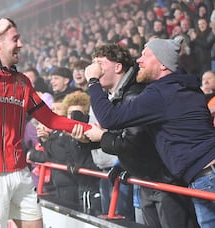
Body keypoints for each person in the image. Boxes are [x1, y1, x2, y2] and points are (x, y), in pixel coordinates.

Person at [0, 18, 91, 228]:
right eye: (15, 39)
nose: (20, 45)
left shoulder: (22, 81)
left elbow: (51, 119)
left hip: (21, 172)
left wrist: (89, 129)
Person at [81, 37, 215, 228]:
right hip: (204, 174)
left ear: (162, 64)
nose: (139, 60)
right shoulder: (179, 87)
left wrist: (93, 82)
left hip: (206, 175)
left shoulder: (161, 93)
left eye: (146, 55)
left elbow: (110, 119)